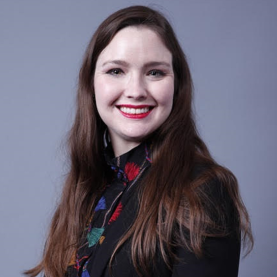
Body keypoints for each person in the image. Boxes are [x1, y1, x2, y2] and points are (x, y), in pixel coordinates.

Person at [25, 5, 253, 277]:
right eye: (116, 71)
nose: (135, 91)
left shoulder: (201, 190)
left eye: (155, 72)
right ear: (91, 84)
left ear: (177, 85)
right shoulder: (89, 187)